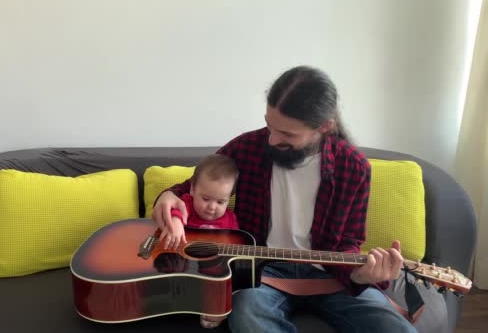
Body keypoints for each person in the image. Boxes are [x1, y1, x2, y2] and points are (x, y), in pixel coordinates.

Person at [152, 66, 416, 332]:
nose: (272, 139)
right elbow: (192, 186)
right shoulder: (247, 148)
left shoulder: (354, 167)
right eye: (269, 126)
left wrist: (361, 275)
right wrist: (167, 196)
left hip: (328, 276)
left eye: (287, 134)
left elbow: (348, 243)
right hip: (264, 273)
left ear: (324, 127)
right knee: (249, 317)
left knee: (395, 328)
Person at [159, 153, 240, 329]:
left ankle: (216, 310)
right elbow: (175, 209)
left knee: (223, 281)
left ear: (230, 198)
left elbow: (236, 246)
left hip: (209, 277)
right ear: (193, 189)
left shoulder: (230, 220)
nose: (212, 207)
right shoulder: (186, 204)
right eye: (205, 198)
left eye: (221, 201)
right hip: (176, 269)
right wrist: (176, 221)